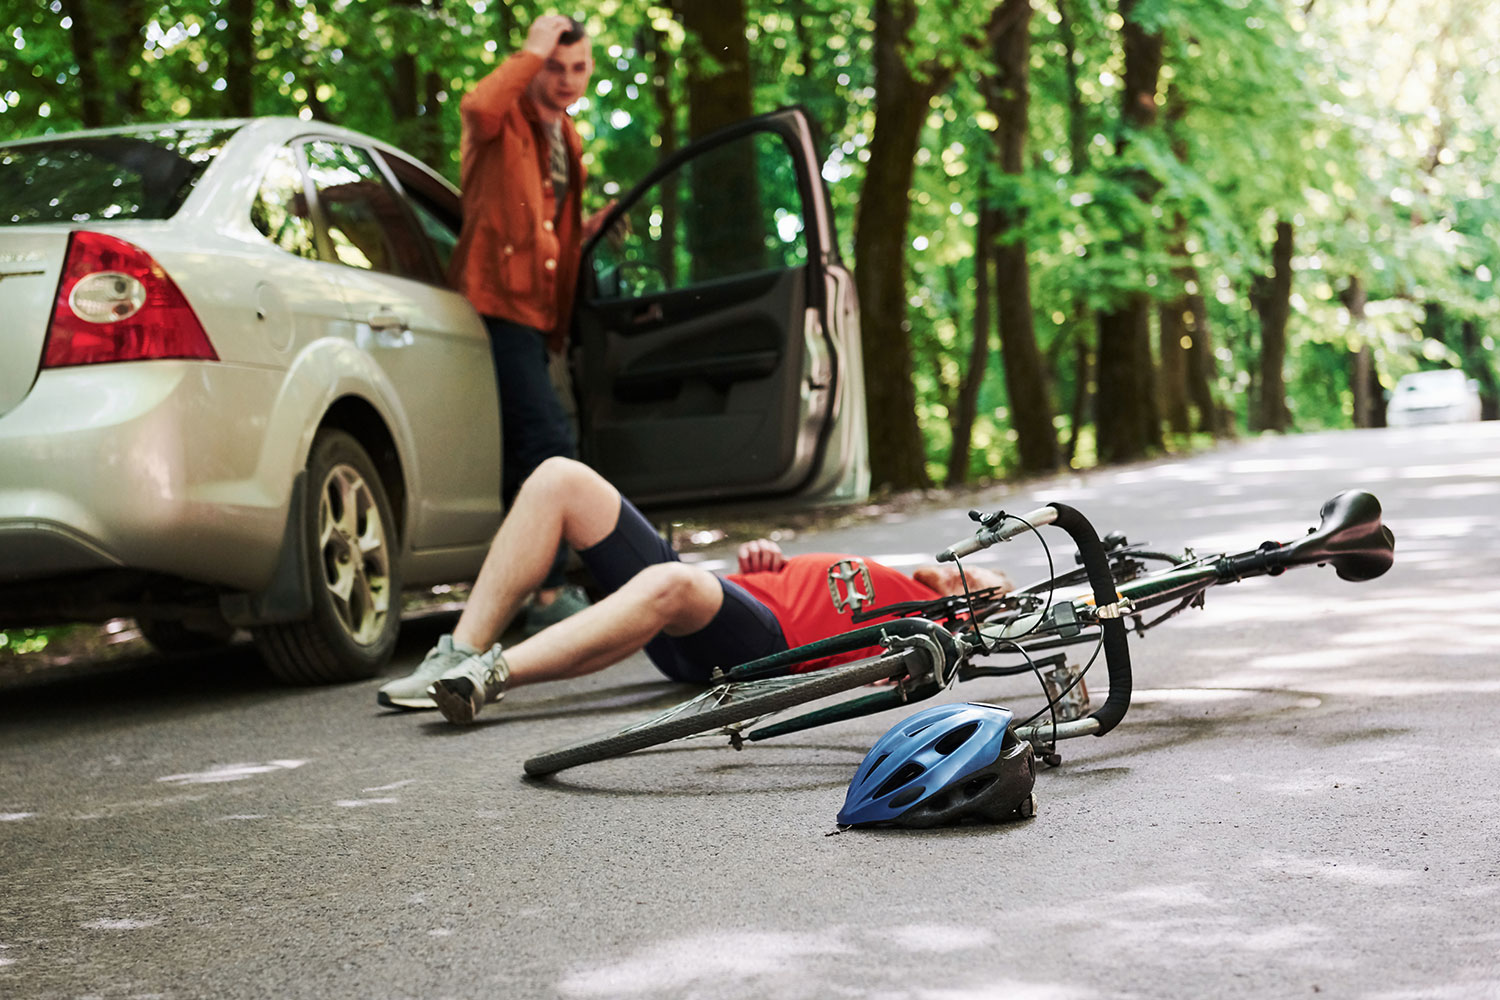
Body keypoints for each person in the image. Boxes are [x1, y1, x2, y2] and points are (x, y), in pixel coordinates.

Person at [376, 458, 1013, 723]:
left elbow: (886, 672)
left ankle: (488, 677)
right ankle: (457, 650)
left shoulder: (929, 632)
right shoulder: (903, 575)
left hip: (757, 640)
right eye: (983, 573)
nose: (980, 577)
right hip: (727, 596)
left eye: (989, 588)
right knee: (559, 479)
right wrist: (767, 561)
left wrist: (947, 635)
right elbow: (808, 584)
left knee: (676, 582)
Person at [449, 12, 615, 635]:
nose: (569, 78)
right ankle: (547, 594)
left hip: (540, 316)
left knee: (527, 452)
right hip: (494, 304)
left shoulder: (566, 134)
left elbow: (550, 224)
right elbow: (479, 104)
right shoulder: (503, 117)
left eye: (579, 67)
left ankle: (527, 590)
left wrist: (590, 229)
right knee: (548, 446)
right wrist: (532, 48)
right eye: (555, 64)